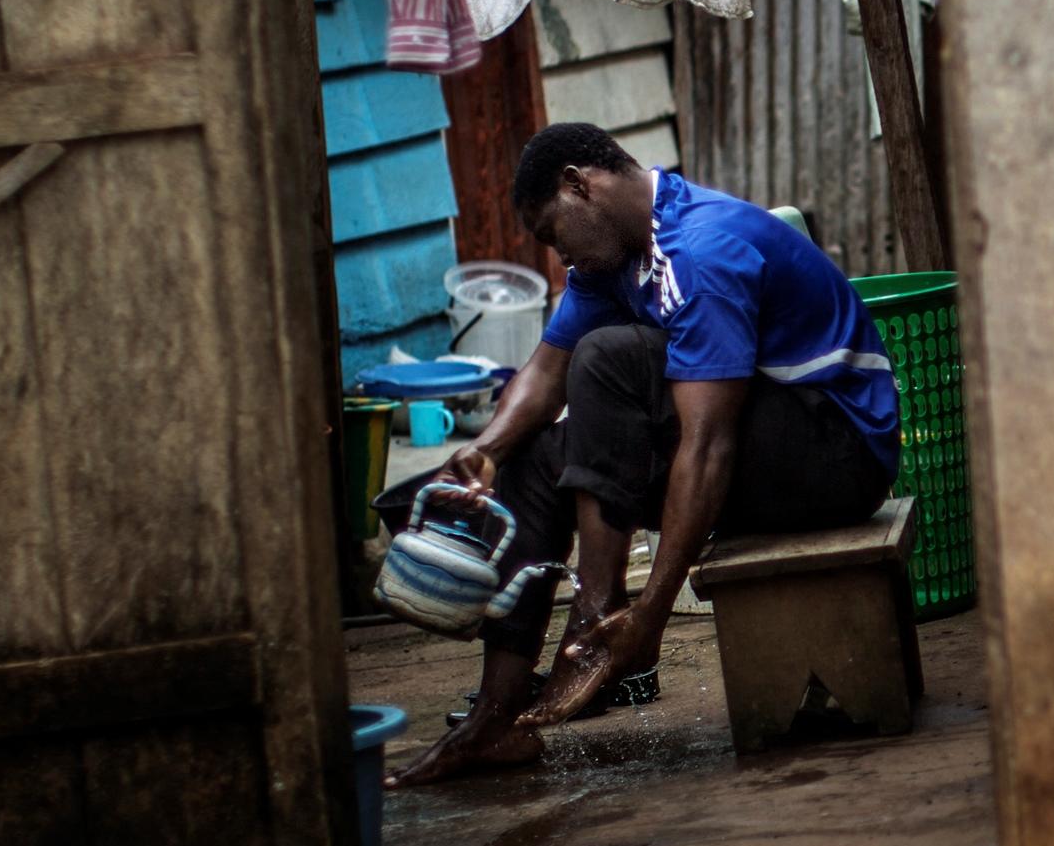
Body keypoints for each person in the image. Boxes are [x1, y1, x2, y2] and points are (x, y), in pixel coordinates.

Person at [385, 122, 900, 787]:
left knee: (608, 359)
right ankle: (495, 719)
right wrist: (483, 453)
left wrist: (652, 611)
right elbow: (545, 373)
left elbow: (707, 446)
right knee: (533, 460)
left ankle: (599, 615)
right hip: (761, 448)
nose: (558, 256)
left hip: (839, 455)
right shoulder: (615, 259)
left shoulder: (702, 250)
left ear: (579, 186)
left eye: (552, 233)